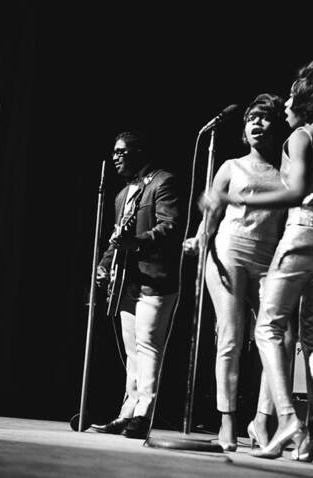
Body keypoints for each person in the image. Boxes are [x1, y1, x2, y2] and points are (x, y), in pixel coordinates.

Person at [209, 59, 313, 463]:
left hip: (304, 237)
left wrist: (240, 197)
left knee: (267, 328)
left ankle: (287, 417)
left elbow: (296, 191)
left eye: (292, 94)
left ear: (307, 98)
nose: (286, 102)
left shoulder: (302, 137)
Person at [185, 94, 288, 451]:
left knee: (279, 337)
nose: (257, 124)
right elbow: (211, 210)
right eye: (252, 119)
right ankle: (226, 421)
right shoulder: (231, 165)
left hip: (268, 256)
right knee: (230, 336)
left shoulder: (285, 173)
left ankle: (260, 420)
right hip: (229, 249)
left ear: (277, 126)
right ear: (245, 129)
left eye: (264, 118)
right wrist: (199, 238)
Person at [90, 131, 180, 440]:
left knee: (148, 346)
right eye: (113, 152)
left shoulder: (162, 182)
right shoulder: (121, 195)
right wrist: (103, 266)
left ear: (139, 152)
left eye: (122, 152)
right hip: (126, 283)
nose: (115, 157)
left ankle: (143, 414)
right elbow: (117, 238)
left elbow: (169, 228)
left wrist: (135, 243)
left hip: (154, 279)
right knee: (132, 352)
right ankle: (126, 413)